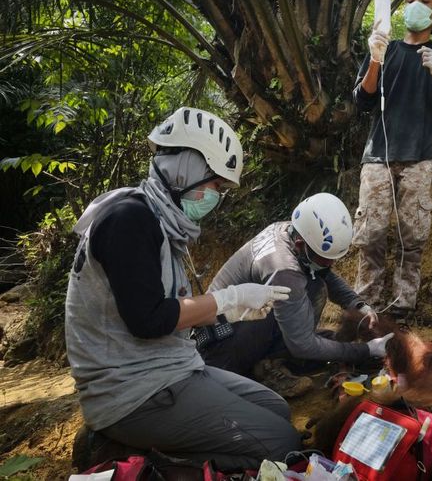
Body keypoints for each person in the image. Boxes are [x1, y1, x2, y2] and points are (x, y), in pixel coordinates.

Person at [65, 107, 301, 471]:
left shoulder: (158, 220)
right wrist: (229, 300)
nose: (216, 197)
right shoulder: (129, 220)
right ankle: (139, 458)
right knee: (284, 443)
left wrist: (228, 308)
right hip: (133, 390)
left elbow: (163, 309)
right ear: (186, 168)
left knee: (277, 409)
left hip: (167, 367)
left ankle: (154, 448)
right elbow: (147, 320)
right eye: (215, 185)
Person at [197, 192, 395, 397]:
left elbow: (324, 272)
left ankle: (270, 358)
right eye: (327, 259)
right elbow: (303, 345)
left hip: (235, 332)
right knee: (314, 291)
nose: (332, 265)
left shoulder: (291, 231)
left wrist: (358, 304)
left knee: (319, 302)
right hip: (222, 351)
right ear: (301, 245)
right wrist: (366, 351)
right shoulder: (283, 269)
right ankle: (267, 368)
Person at [353, 0, 432, 321]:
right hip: (377, 158)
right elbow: (362, 100)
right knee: (370, 234)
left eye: (425, 0)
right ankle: (365, 306)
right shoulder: (387, 50)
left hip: (419, 159)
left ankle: (401, 307)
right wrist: (375, 58)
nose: (416, 4)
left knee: (412, 236)